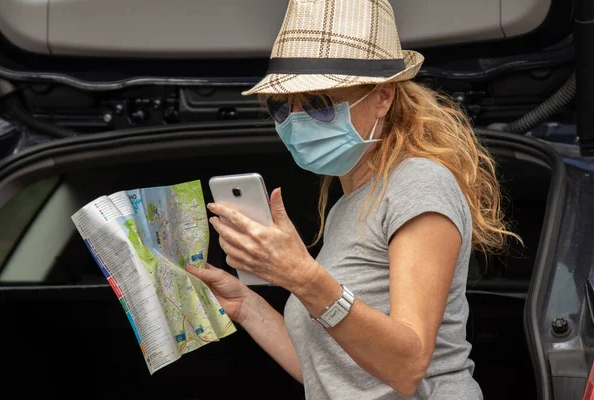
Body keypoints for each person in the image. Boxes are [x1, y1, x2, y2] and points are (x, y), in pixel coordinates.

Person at [187, 1, 519, 399]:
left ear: (382, 97)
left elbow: (406, 367)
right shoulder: (349, 205)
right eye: (281, 106)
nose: (295, 120)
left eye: (317, 103)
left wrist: (302, 277)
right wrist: (246, 305)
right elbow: (334, 371)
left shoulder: (419, 182)